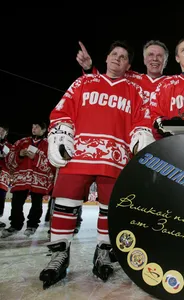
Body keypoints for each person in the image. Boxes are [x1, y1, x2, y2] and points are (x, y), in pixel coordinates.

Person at [39, 40, 154, 289]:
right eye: (114, 54)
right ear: (106, 58)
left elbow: (141, 120)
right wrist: (61, 130)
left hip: (115, 159)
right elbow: (63, 110)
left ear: (128, 65)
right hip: (78, 155)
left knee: (109, 209)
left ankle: (103, 251)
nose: (117, 59)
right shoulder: (83, 82)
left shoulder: (134, 91)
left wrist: (142, 134)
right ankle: (59, 253)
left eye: (123, 57)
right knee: (65, 204)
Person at [77, 40, 169, 120]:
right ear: (144, 59)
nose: (155, 59)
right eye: (150, 55)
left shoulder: (173, 84)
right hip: (129, 132)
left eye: (160, 56)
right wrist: (88, 68)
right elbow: (102, 85)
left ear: (165, 61)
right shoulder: (129, 76)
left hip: (160, 134)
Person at [1, 122, 55, 238]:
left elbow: (51, 164)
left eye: (37, 127)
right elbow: (9, 160)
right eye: (32, 127)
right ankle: (15, 225)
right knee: (16, 204)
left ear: (44, 130)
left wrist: (35, 157)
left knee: (36, 205)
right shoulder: (22, 141)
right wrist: (19, 154)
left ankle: (32, 225)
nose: (33, 129)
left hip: (38, 180)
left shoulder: (48, 144)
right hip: (21, 178)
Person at [0, 124, 12, 228]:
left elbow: (13, 162)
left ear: (6, 133)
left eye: (2, 131)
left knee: (1, 196)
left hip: (3, 176)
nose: (0, 132)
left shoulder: (9, 147)